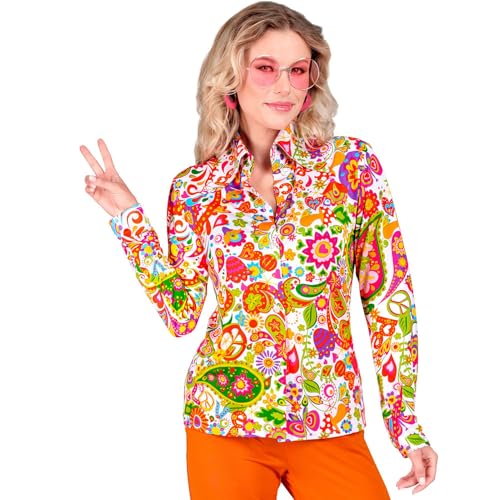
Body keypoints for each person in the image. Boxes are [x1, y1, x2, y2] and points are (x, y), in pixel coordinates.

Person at [80, 1, 438, 498]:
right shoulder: (196, 189)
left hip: (328, 418)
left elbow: (389, 298)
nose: (285, 86)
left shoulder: (351, 167)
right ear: (232, 77)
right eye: (266, 69)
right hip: (223, 422)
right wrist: (129, 219)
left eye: (298, 70)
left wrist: (406, 424)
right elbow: (182, 313)